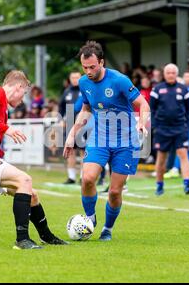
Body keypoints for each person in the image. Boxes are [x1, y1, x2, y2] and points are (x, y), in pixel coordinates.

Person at [0, 70, 67, 250]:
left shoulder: (2, 106)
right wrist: (6, 129)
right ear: (18, 86)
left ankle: (46, 236)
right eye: (24, 93)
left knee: (31, 194)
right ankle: (22, 239)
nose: (22, 100)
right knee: (24, 179)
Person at [63, 41, 150, 241]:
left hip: (125, 142)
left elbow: (143, 104)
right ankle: (91, 220)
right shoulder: (84, 83)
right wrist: (72, 134)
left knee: (114, 192)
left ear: (101, 62)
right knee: (87, 179)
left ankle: (107, 229)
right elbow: (86, 110)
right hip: (99, 138)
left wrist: (141, 123)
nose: (89, 71)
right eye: (85, 68)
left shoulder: (119, 80)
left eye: (92, 67)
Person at [151, 64, 189, 195]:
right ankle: (159, 185)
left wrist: (188, 126)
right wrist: (154, 126)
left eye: (173, 73)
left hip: (180, 128)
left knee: (183, 154)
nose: (170, 75)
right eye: (168, 72)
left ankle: (187, 185)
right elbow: (152, 109)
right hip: (162, 129)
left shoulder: (184, 89)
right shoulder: (157, 89)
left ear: (176, 74)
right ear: (164, 74)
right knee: (161, 158)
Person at [166, 70, 189, 179]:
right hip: (180, 123)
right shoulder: (182, 90)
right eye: (185, 76)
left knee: (185, 146)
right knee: (185, 146)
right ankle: (188, 170)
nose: (186, 78)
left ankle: (181, 169)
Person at [59, 71, 83, 184]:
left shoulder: (85, 89)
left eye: (77, 77)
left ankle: (84, 176)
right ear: (70, 78)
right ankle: (71, 177)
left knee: (84, 152)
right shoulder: (66, 91)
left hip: (84, 125)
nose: (75, 79)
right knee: (71, 151)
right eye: (72, 77)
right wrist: (61, 120)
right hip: (69, 124)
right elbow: (61, 108)